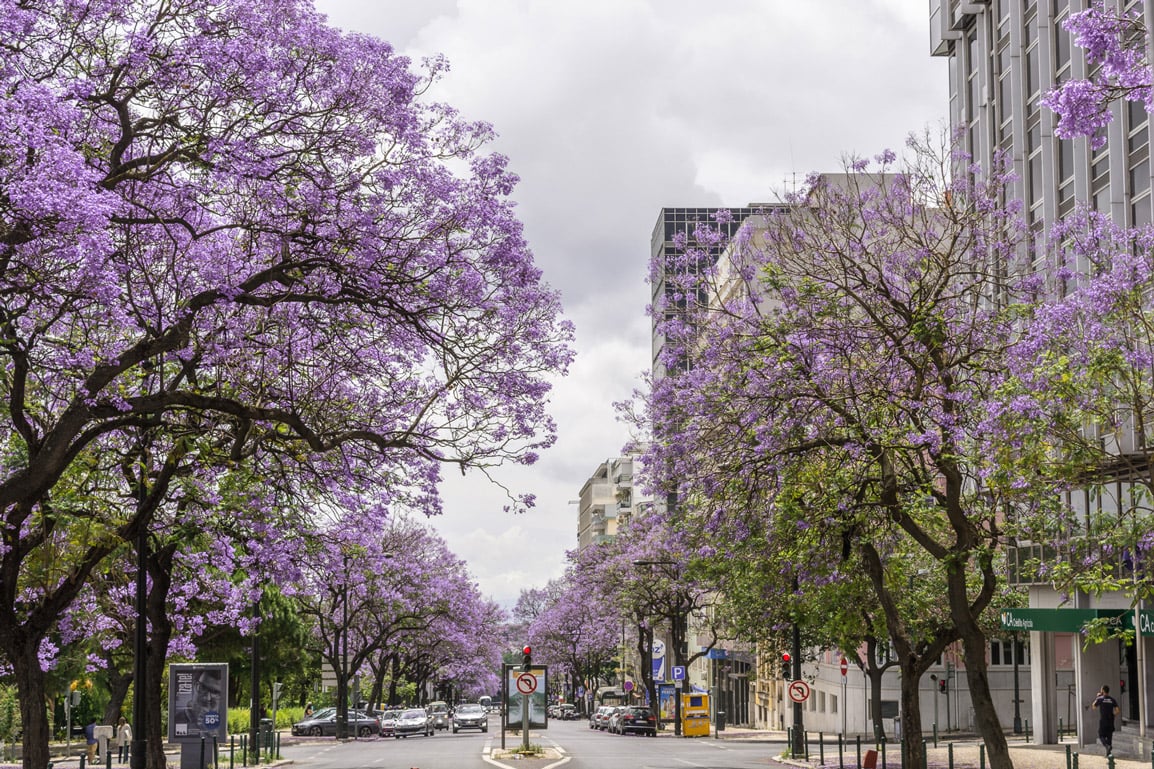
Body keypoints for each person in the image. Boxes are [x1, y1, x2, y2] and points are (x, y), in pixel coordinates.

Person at [172, 667, 225, 738]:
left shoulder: (221, 725)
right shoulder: (177, 720)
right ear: (194, 685)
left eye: (215, 692)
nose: (208, 698)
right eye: (203, 688)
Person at [1092, 684, 1120, 755]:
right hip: (1111, 720)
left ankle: (1107, 746)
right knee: (1109, 736)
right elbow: (1117, 710)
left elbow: (1093, 707)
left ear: (1103, 691)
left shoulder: (1100, 698)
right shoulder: (1112, 699)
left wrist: (1097, 697)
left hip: (1103, 720)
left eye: (1101, 690)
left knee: (1101, 735)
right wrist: (1114, 715)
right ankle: (1108, 753)